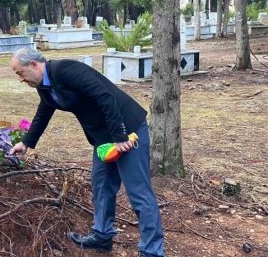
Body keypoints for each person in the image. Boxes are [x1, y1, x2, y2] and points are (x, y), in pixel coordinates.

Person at [8, 47, 164, 257]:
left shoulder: (65, 70)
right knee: (101, 185)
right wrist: (26, 143)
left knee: (138, 193)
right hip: (102, 138)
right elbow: (44, 111)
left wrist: (120, 137)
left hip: (127, 130)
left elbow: (105, 95)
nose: (20, 79)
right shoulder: (44, 84)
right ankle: (102, 235)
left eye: (20, 73)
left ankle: (152, 251)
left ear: (34, 65)